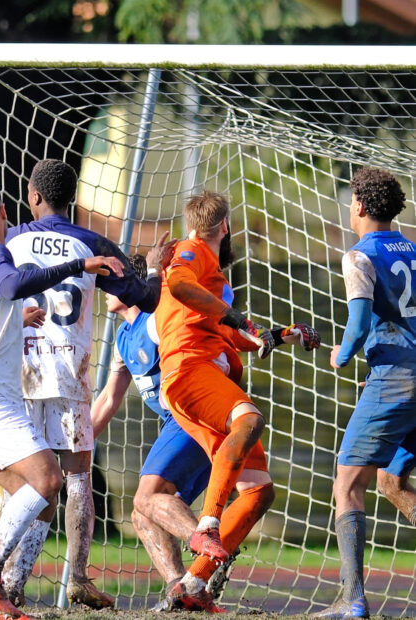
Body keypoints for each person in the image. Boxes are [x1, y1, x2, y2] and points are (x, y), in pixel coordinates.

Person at [0, 181, 124, 619]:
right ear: (4, 212)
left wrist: (15, 321)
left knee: (38, 498)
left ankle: (9, 594)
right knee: (50, 480)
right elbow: (10, 286)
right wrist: (78, 263)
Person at [3, 159, 170, 609]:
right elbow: (147, 299)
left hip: (17, 374)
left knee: (28, 484)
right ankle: (76, 576)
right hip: (67, 373)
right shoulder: (92, 243)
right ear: (71, 199)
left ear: (34, 196)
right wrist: (152, 269)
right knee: (76, 476)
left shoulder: (12, 238)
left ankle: (12, 582)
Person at [154, 190, 320, 610]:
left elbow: (235, 336)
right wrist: (234, 316)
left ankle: (192, 587)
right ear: (225, 226)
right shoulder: (191, 250)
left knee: (258, 492)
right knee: (249, 420)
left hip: (204, 371)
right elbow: (178, 282)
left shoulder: (215, 283)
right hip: (189, 369)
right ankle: (207, 524)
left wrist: (283, 334)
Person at [316, 167, 416, 619]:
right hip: (408, 374)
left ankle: (352, 600)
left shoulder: (358, 256)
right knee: (391, 480)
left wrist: (342, 355)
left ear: (357, 204)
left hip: (396, 377)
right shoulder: (413, 250)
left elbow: (356, 326)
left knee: (348, 483)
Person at [90, 254, 214, 604]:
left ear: (128, 286)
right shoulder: (122, 338)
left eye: (110, 283)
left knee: (144, 497)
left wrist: (158, 269)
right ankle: (185, 589)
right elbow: (107, 401)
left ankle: (210, 545)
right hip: (176, 426)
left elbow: (171, 302)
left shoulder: (156, 321)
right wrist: (78, 446)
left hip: (191, 418)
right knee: (142, 514)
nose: (103, 291)